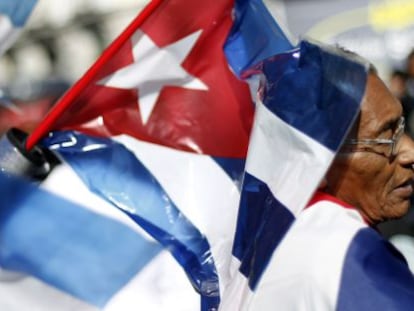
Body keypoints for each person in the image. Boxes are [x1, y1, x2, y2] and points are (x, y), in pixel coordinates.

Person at [249, 64, 414, 310]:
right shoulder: (347, 250)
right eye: (385, 137)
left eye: (401, 127)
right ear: (319, 158)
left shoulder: (268, 232)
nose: (409, 151)